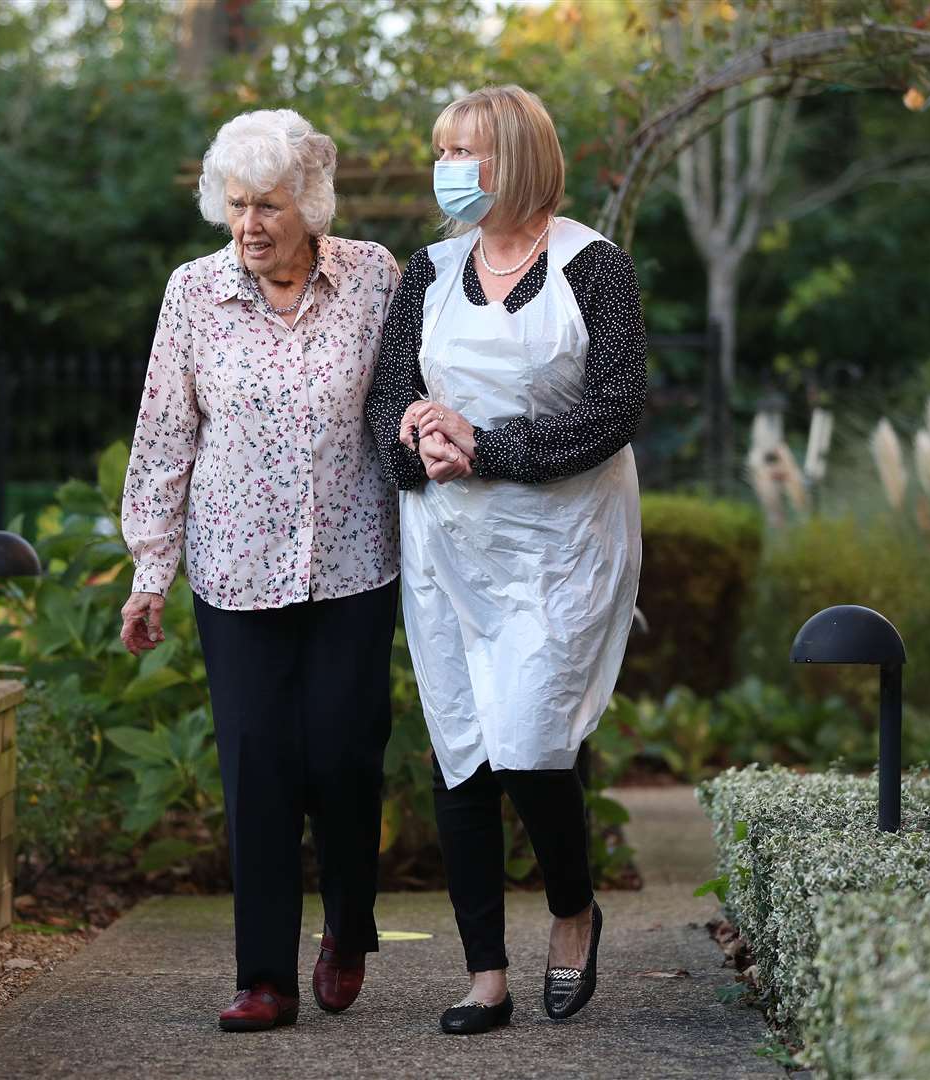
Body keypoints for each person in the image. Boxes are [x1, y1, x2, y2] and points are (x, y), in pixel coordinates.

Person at [365, 85, 646, 1035]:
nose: (448, 167)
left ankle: (573, 908)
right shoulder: (430, 270)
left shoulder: (593, 268)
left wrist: (487, 446)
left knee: (530, 740)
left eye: (468, 151)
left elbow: (612, 413)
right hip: (449, 545)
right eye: (442, 149)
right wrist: (419, 439)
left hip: (557, 547)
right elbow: (387, 400)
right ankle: (485, 971)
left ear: (518, 159)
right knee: (461, 752)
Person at [119, 109, 401, 1033]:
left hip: (353, 560)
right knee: (258, 767)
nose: (250, 225)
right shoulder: (193, 294)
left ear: (309, 204)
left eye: (269, 205)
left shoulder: (373, 278)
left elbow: (406, 404)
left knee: (347, 757)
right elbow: (164, 438)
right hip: (236, 572)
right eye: (236, 204)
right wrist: (149, 573)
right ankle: (264, 976)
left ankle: (350, 927)